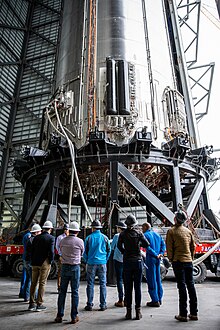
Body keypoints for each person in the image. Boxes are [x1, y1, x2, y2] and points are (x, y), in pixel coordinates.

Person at [166, 210, 198, 322]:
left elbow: (169, 248)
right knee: (191, 286)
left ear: (175, 219)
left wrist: (171, 260)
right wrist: (191, 258)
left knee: (182, 287)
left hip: (178, 262)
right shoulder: (188, 231)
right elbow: (193, 247)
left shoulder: (171, 231)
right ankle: (194, 313)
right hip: (188, 261)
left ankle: (183, 314)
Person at [118, 215, 150, 320]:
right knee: (137, 288)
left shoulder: (122, 234)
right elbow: (147, 244)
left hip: (127, 262)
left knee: (128, 287)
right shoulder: (139, 233)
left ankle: (128, 312)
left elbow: (119, 246)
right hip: (137, 261)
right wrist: (139, 243)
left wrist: (125, 253)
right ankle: (138, 312)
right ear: (135, 224)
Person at [55, 221, 84, 324]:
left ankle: (59, 315)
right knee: (75, 292)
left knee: (62, 292)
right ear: (77, 231)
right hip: (75, 268)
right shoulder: (80, 241)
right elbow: (82, 252)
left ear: (69, 230)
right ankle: (74, 316)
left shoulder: (62, 241)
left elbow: (60, 251)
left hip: (64, 267)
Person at [83, 220, 111, 311]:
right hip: (102, 263)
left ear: (93, 228)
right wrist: (105, 259)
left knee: (90, 284)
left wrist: (87, 260)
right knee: (103, 284)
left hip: (91, 263)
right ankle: (103, 305)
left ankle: (89, 304)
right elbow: (109, 250)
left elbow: (84, 251)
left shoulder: (88, 238)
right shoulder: (105, 238)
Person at [28, 220, 55, 311]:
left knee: (33, 283)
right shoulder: (51, 238)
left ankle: (31, 303)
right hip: (44, 262)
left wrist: (32, 260)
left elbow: (32, 250)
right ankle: (39, 304)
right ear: (50, 229)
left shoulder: (36, 238)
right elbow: (51, 252)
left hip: (35, 263)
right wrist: (50, 261)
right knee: (42, 283)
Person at [142, 222, 166, 307]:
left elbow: (147, 248)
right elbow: (163, 244)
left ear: (145, 227)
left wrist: (155, 254)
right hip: (158, 259)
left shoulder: (145, 235)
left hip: (151, 259)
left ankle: (155, 300)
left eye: (142, 227)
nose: (142, 229)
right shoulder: (157, 234)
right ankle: (159, 298)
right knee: (157, 278)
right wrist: (160, 253)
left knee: (151, 279)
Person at [24, 224, 42, 302]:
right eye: (40, 231)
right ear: (37, 232)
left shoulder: (29, 239)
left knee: (28, 280)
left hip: (26, 261)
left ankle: (26, 297)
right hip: (31, 263)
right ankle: (34, 298)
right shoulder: (34, 240)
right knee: (34, 282)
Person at [111, 221, 127, 307]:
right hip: (127, 260)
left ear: (120, 229)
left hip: (118, 260)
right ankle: (126, 299)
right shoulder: (128, 235)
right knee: (126, 280)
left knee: (119, 280)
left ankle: (121, 300)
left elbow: (112, 247)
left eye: (117, 227)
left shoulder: (117, 236)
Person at [18, 224, 32, 299]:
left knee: (25, 276)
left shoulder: (26, 235)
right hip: (29, 258)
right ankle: (27, 294)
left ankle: (22, 292)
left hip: (25, 257)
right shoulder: (29, 236)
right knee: (29, 278)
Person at [55, 223, 69, 292]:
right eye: (65, 229)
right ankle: (59, 287)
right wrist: (60, 254)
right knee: (60, 272)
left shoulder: (71, 237)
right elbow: (57, 246)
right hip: (62, 256)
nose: (66, 231)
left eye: (67, 229)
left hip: (69, 257)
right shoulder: (60, 237)